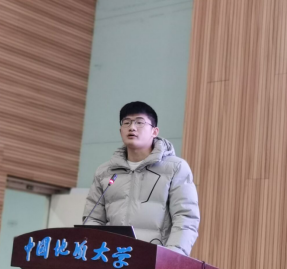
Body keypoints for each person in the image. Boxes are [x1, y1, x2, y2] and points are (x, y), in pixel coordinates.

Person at [82, 101, 200, 256]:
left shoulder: (175, 168)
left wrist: (172, 257)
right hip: (113, 259)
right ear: (120, 130)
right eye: (126, 122)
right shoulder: (105, 172)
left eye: (139, 122)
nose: (132, 127)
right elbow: (93, 219)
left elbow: (185, 218)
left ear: (154, 131)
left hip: (154, 259)